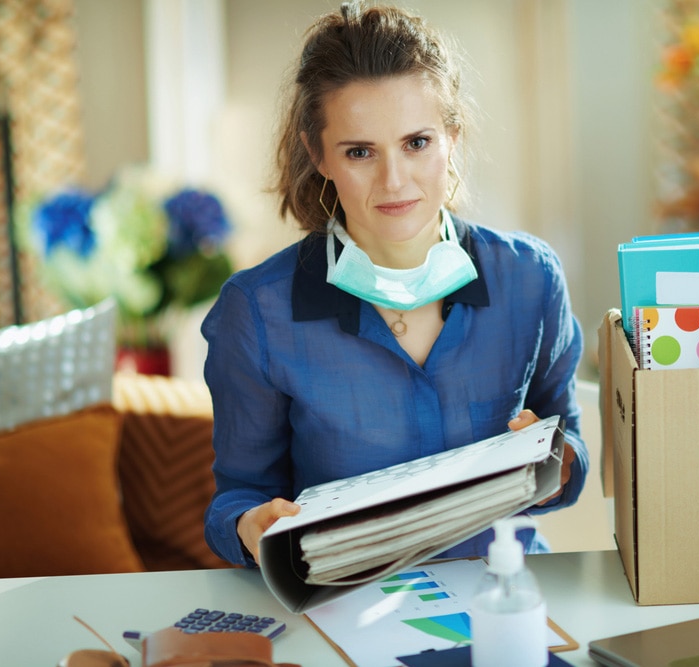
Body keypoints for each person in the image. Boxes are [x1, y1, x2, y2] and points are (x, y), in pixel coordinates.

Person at [202, 1, 588, 568]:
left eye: (417, 143)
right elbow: (237, 495)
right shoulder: (257, 311)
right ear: (319, 155)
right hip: (342, 613)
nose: (394, 180)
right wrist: (248, 525)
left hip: (502, 599)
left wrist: (558, 461)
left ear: (451, 137)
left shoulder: (530, 280)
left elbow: (569, 441)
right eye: (360, 152)